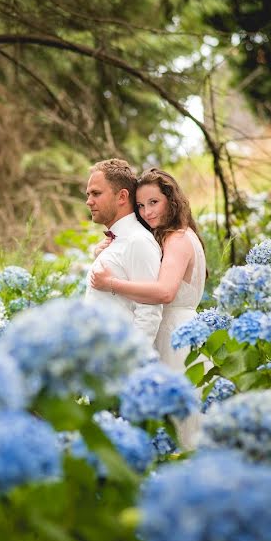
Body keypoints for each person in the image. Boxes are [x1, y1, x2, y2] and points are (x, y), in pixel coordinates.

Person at [89, 167, 208, 447]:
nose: (147, 212)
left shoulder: (177, 239)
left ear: (172, 199)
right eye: (141, 206)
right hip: (178, 330)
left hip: (174, 336)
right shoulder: (174, 236)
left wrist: (112, 283)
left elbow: (165, 292)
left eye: (154, 202)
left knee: (181, 429)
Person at [83, 159, 163, 358]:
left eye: (96, 193)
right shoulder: (115, 242)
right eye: (88, 194)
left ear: (122, 196)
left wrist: (126, 364)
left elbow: (149, 312)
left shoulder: (138, 241)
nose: (88, 201)